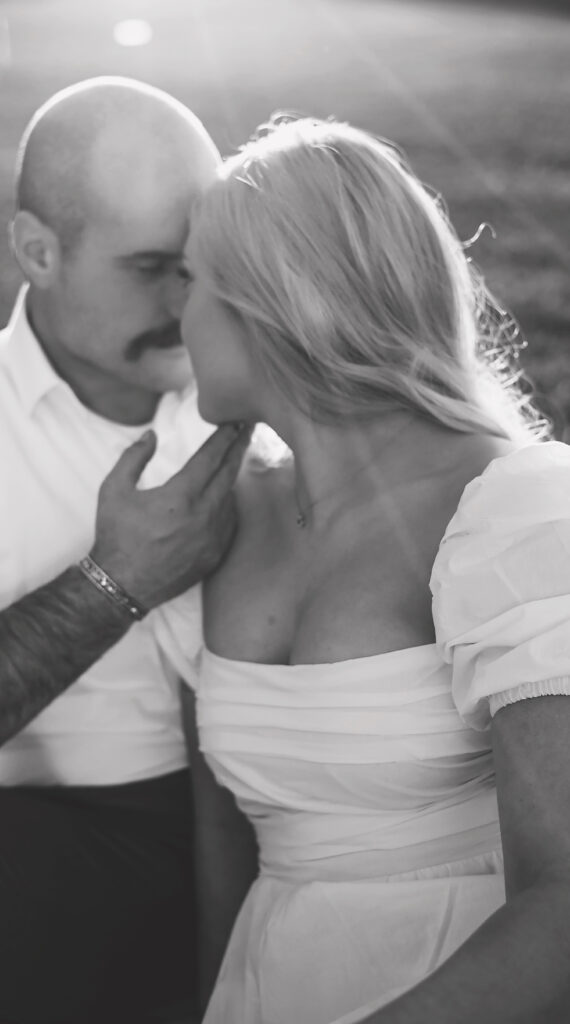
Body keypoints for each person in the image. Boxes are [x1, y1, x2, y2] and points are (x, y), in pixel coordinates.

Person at [153, 115, 570, 1023]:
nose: (173, 315)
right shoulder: (216, 516)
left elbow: (564, 915)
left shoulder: (515, 509)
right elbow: (223, 847)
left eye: (191, 281)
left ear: (273, 304)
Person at [0, 77, 250, 1023]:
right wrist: (117, 580)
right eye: (148, 266)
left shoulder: (263, 413)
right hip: (25, 861)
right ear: (37, 251)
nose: (188, 298)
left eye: (201, 263)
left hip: (256, 841)